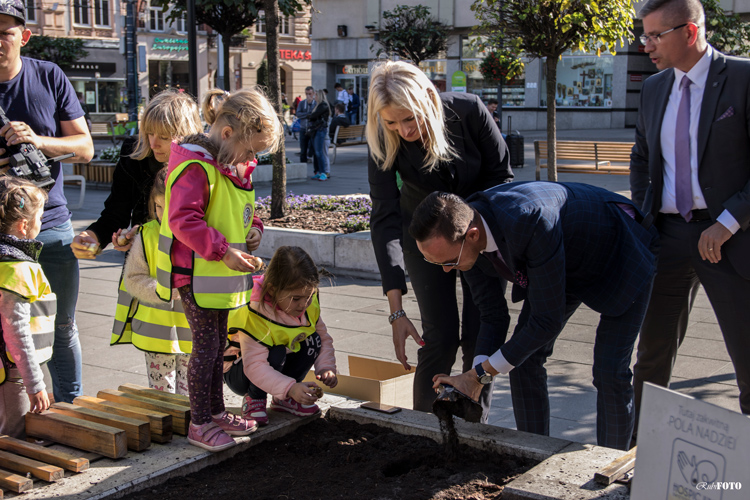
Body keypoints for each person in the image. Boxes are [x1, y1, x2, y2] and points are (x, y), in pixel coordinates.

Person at [410, 184, 659, 450]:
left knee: (610, 371)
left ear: (472, 235)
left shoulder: (529, 220)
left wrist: (480, 374)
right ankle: (535, 451)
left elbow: (545, 320)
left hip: (619, 250)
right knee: (523, 362)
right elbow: (492, 315)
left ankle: (609, 464)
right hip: (562, 263)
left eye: (447, 261)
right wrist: (478, 375)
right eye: (436, 263)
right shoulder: (466, 237)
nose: (447, 270)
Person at [367, 60, 513, 420]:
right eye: (392, 122)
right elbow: (384, 218)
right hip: (425, 240)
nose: (404, 129)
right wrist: (396, 310)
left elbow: (502, 180)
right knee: (440, 337)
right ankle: (426, 427)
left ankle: (473, 420)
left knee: (481, 337)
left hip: (480, 235)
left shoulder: (468, 111)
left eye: (410, 118)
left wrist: (480, 239)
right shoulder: (384, 140)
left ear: (428, 99)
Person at [630, 0, 750, 436]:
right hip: (669, 237)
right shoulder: (654, 87)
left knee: (747, 360)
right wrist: (645, 218)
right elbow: (642, 156)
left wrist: (729, 221)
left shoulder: (742, 77)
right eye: (644, 36)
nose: (646, 47)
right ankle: (640, 457)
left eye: (654, 36)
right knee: (651, 356)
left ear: (690, 32)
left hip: (732, 238)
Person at [155, 88, 283, 452]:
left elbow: (242, 210)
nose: (251, 158)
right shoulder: (197, 166)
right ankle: (200, 421)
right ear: (227, 134)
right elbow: (183, 220)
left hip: (215, 276)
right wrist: (224, 250)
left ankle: (213, 412)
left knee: (214, 345)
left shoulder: (231, 164)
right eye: (250, 150)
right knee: (207, 347)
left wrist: (254, 228)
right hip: (195, 273)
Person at [0, 1, 94, 404]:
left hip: (49, 224)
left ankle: (70, 407)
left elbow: (85, 147)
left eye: (3, 32)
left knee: (61, 324)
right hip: (1, 231)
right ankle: (16, 413)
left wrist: (38, 141)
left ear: (24, 36)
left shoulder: (48, 76)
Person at [71, 90, 203, 259]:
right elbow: (116, 213)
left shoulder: (204, 164)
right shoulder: (134, 155)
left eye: (163, 137)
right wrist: (91, 236)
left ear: (186, 134)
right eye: (149, 133)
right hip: (142, 265)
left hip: (190, 265)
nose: (153, 144)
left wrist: (143, 236)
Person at [224, 246, 338, 425]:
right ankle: (254, 399)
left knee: (313, 340)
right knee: (275, 352)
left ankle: (284, 400)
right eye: (296, 299)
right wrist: (291, 387)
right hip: (240, 372)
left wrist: (326, 367)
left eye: (309, 296)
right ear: (272, 289)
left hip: (272, 364)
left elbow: (323, 338)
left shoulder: (307, 304)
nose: (304, 304)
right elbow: (254, 365)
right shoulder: (256, 312)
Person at [110, 168, 191, 394]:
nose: (163, 215)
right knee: (162, 395)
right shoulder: (147, 234)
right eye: (158, 207)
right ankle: (168, 428)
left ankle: (191, 429)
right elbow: (133, 279)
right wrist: (166, 290)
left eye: (171, 208)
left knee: (191, 395)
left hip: (192, 331)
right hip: (158, 335)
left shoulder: (201, 235)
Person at [0, 177, 54, 438]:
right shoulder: (18, 269)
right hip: (13, 373)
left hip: (10, 368)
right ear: (23, 226)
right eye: (40, 219)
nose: (41, 224)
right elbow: (17, 333)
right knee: (14, 435)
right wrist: (35, 384)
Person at [308, 89, 331, 181]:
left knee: (319, 152)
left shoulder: (323, 105)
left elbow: (313, 116)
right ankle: (318, 171)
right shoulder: (317, 105)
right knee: (316, 152)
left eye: (315, 95)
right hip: (316, 129)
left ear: (319, 96)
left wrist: (310, 116)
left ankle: (323, 172)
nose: (314, 97)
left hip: (320, 129)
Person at [296, 86, 316, 163]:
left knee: (313, 146)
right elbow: (298, 114)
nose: (308, 96)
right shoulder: (302, 103)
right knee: (303, 148)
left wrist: (309, 114)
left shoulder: (315, 103)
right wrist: (307, 115)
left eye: (310, 94)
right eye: (306, 94)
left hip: (312, 128)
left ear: (313, 93)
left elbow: (314, 114)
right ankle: (303, 163)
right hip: (303, 128)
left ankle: (310, 157)